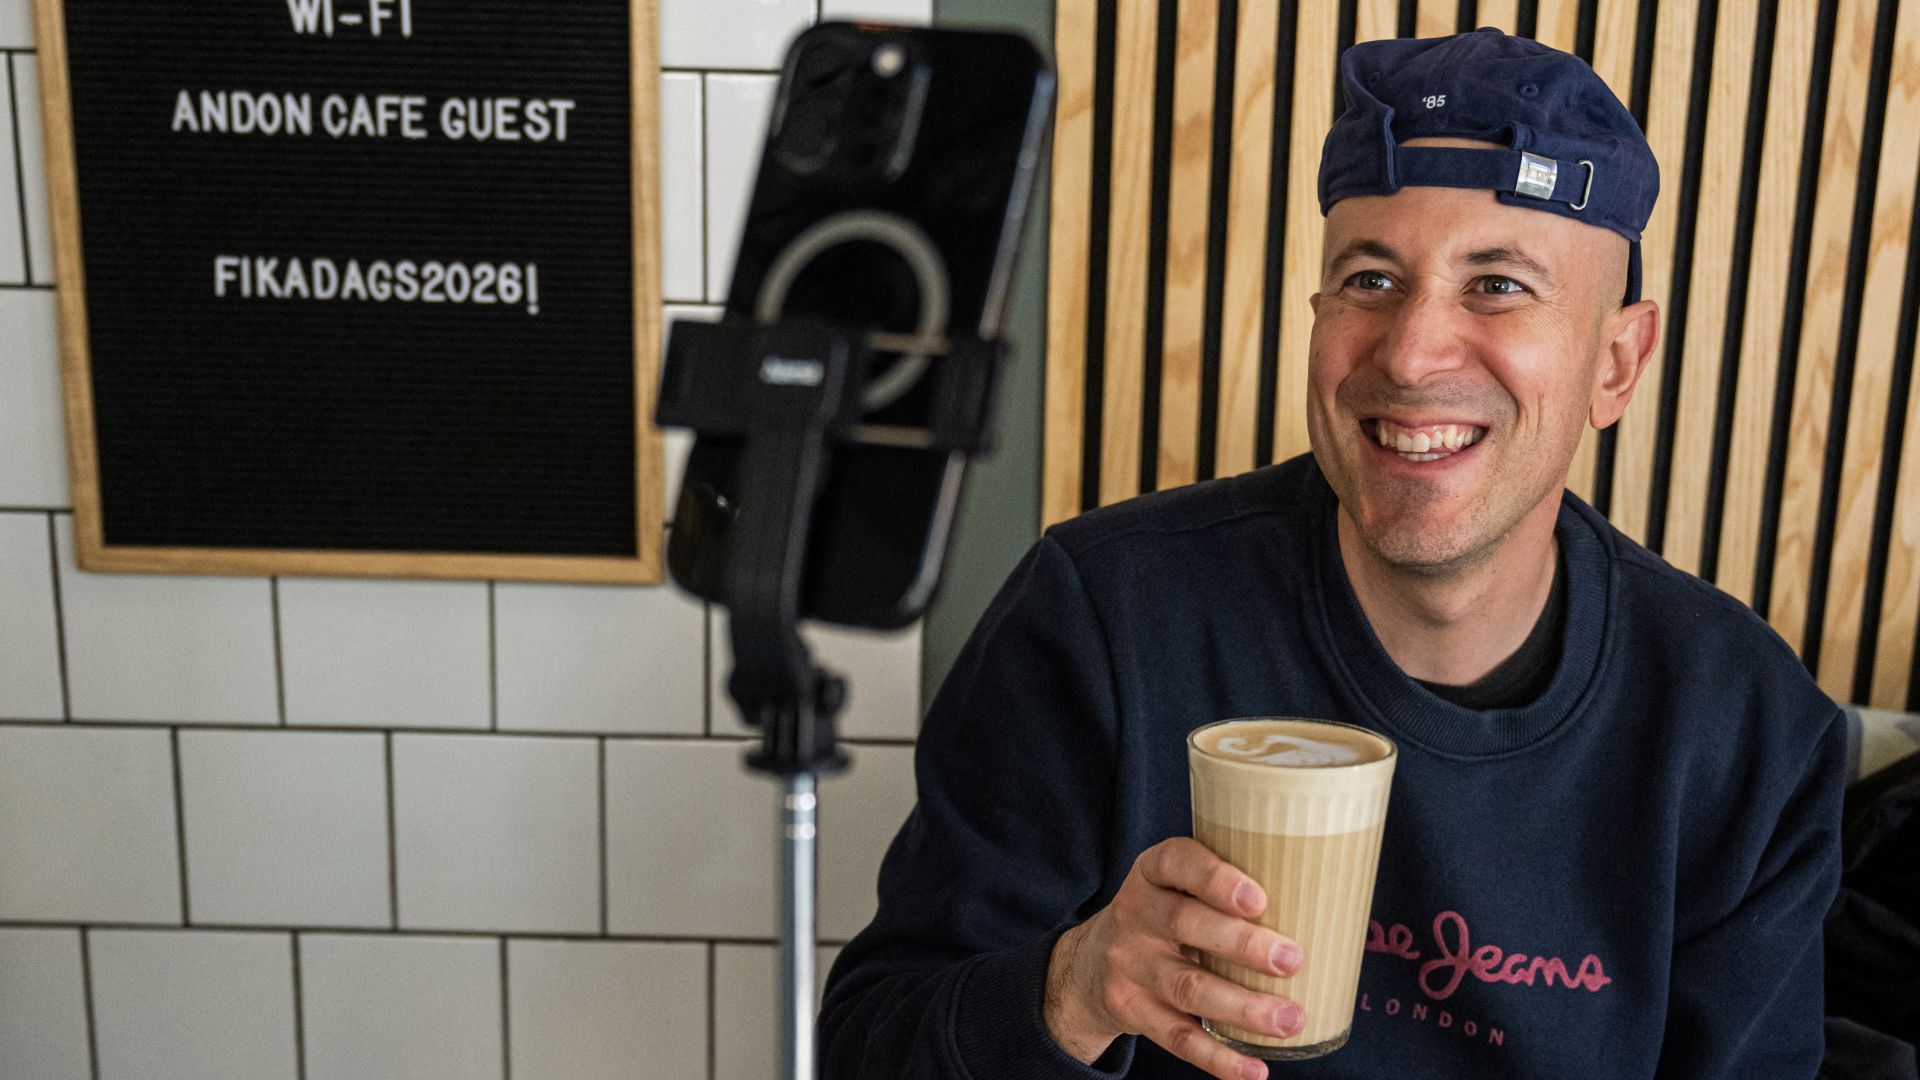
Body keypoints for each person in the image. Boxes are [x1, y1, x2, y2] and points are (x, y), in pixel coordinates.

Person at [819, 28, 1844, 1079]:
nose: (1408, 352)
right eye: (1369, 279)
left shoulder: (1741, 729)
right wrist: (1074, 988)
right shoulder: (1106, 617)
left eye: (1496, 286)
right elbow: (868, 1043)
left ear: (1617, 363)